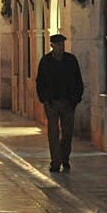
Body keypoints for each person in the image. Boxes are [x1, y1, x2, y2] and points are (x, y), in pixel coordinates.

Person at [36, 33, 84, 173]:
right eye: (58, 44)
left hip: (68, 102)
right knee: (53, 133)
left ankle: (65, 158)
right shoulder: (45, 62)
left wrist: (75, 99)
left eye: (62, 44)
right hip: (52, 103)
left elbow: (78, 80)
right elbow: (40, 82)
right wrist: (44, 99)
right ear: (52, 45)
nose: (61, 47)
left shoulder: (71, 60)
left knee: (67, 132)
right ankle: (55, 162)